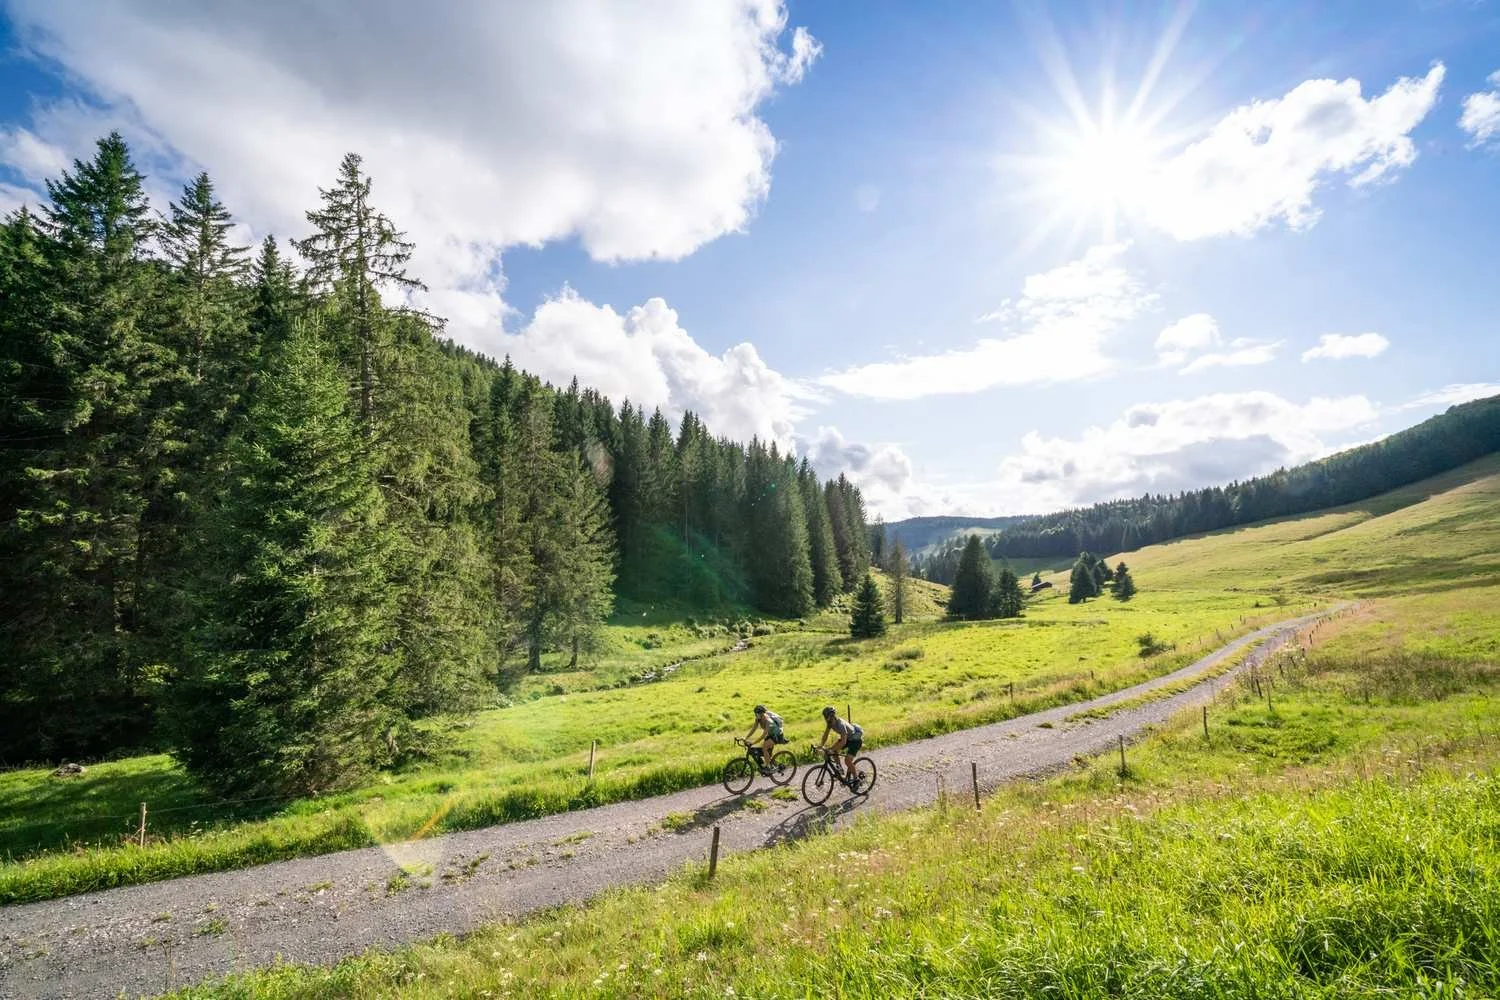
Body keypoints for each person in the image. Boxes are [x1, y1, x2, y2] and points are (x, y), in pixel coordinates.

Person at [816, 706, 864, 788]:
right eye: (825, 717)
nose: (825, 719)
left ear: (831, 716)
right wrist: (821, 746)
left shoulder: (840, 724)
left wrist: (830, 749)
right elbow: (825, 736)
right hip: (848, 739)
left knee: (847, 761)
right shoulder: (830, 724)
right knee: (834, 751)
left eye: (826, 717)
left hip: (855, 741)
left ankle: (856, 779)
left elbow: (843, 741)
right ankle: (840, 770)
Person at [744, 704, 787, 774]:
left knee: (764, 747)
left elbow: (763, 735)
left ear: (762, 713)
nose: (756, 715)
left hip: (777, 735)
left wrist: (753, 743)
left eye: (758, 713)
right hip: (771, 735)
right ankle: (771, 764)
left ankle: (768, 768)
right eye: (755, 713)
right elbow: (753, 729)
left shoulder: (768, 721)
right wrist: (746, 737)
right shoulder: (758, 719)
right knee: (763, 751)